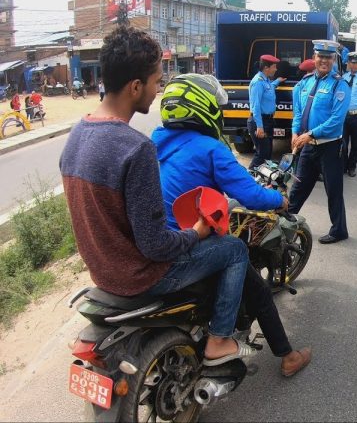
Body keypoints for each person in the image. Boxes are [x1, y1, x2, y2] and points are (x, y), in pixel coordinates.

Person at [59, 26, 252, 367]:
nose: (158, 90)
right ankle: (219, 341)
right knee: (235, 249)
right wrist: (196, 233)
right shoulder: (136, 148)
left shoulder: (77, 133)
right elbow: (155, 246)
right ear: (135, 87)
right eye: (156, 82)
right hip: (141, 277)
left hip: (102, 273)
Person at [151, 73, 312, 376]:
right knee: (241, 258)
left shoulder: (154, 142)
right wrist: (278, 200)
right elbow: (249, 194)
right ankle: (224, 340)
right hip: (183, 250)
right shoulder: (209, 149)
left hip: (159, 241)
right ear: (204, 108)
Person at [288, 39, 352, 244]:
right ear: (314, 58)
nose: (324, 60)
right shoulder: (305, 83)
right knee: (298, 188)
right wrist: (294, 132)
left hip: (330, 147)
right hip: (308, 146)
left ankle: (339, 230)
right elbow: (298, 111)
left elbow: (336, 120)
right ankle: (285, 223)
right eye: (320, 56)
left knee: (333, 190)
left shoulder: (339, 85)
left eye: (328, 57)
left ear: (334, 60)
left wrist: (311, 134)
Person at [247, 54, 286, 169]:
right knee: (262, 154)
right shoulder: (258, 82)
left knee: (267, 154)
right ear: (266, 68)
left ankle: (261, 180)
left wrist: (277, 81)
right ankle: (249, 178)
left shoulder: (266, 80)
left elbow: (269, 87)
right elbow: (256, 106)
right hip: (259, 122)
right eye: (274, 66)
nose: (276, 69)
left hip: (267, 121)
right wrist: (259, 126)